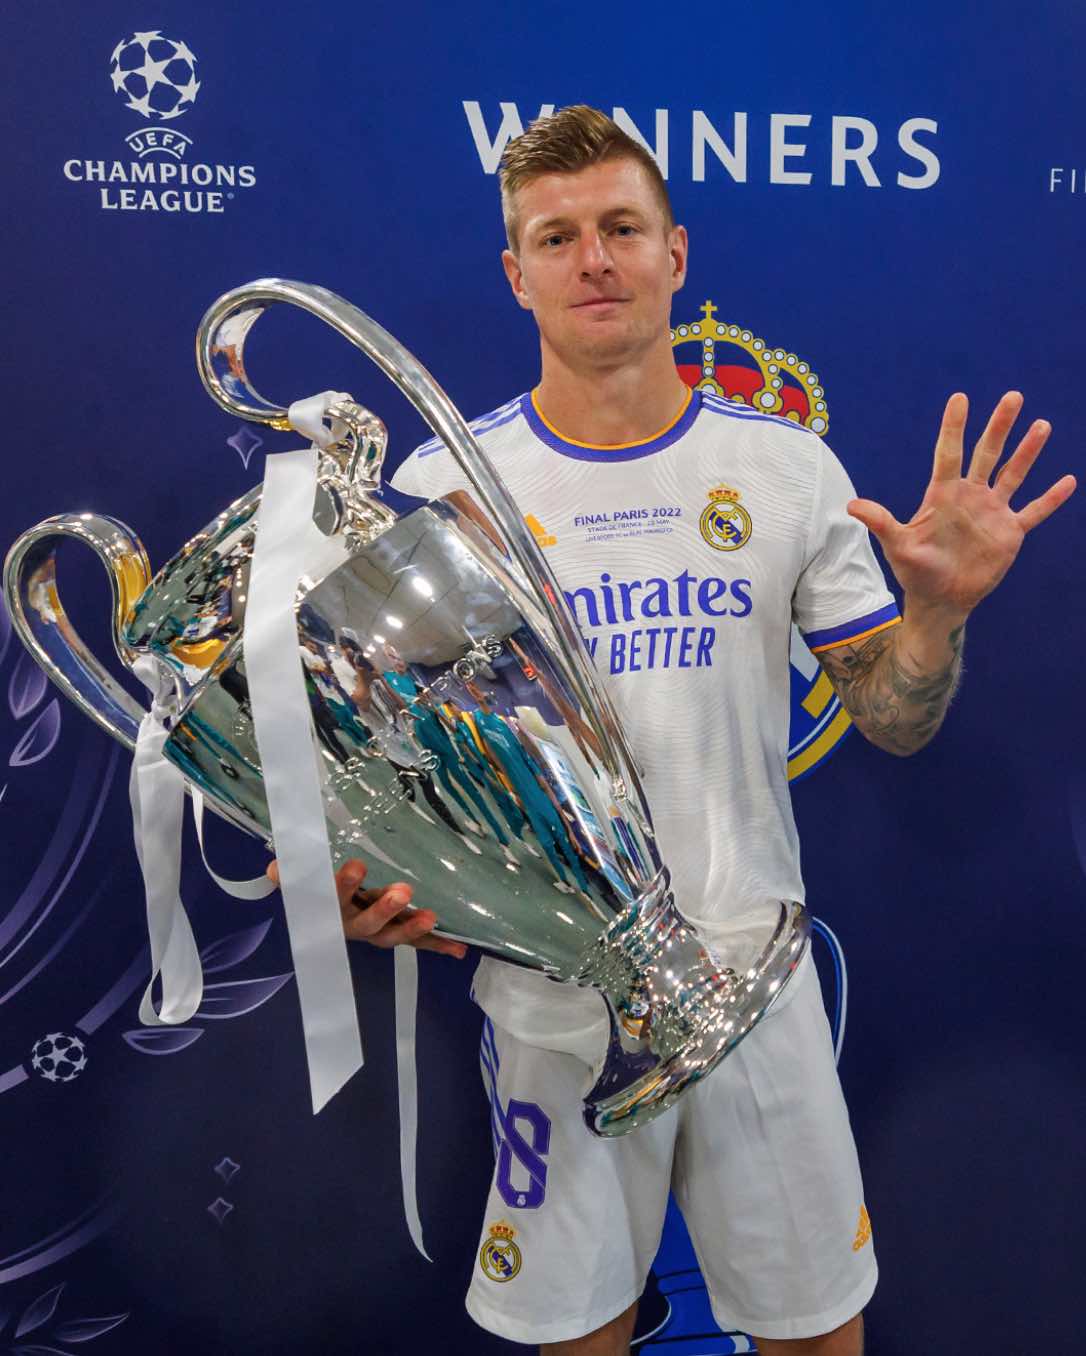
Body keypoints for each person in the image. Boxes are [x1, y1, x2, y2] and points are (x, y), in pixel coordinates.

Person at [276, 107, 1075, 1355]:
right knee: (578, 1334)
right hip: (557, 1002)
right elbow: (393, 764)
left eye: (622, 228)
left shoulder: (786, 470)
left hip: (754, 980)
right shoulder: (444, 488)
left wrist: (934, 617)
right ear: (516, 273)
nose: (594, 260)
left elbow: (892, 718)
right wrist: (361, 877)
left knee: (818, 1334)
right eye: (558, 238)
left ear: (676, 253)